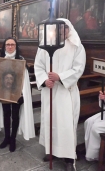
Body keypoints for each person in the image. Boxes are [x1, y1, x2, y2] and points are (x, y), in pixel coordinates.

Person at [34, 18, 86, 170]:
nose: (62, 31)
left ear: (69, 29)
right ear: (54, 30)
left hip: (66, 92)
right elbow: (39, 66)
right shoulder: (44, 45)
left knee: (66, 125)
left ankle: (69, 157)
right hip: (49, 91)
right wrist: (44, 80)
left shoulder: (76, 46)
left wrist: (60, 77)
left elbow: (78, 68)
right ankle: (51, 151)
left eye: (65, 28)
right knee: (50, 121)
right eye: (59, 29)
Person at [0, 37, 35, 152]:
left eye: (12, 44)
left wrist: (23, 94)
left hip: (16, 93)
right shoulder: (0, 60)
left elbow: (24, 80)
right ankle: (6, 137)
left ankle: (13, 138)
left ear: (15, 46)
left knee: (15, 115)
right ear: (4, 46)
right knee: (6, 114)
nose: (10, 47)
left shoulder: (21, 60)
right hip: (4, 91)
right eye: (7, 44)